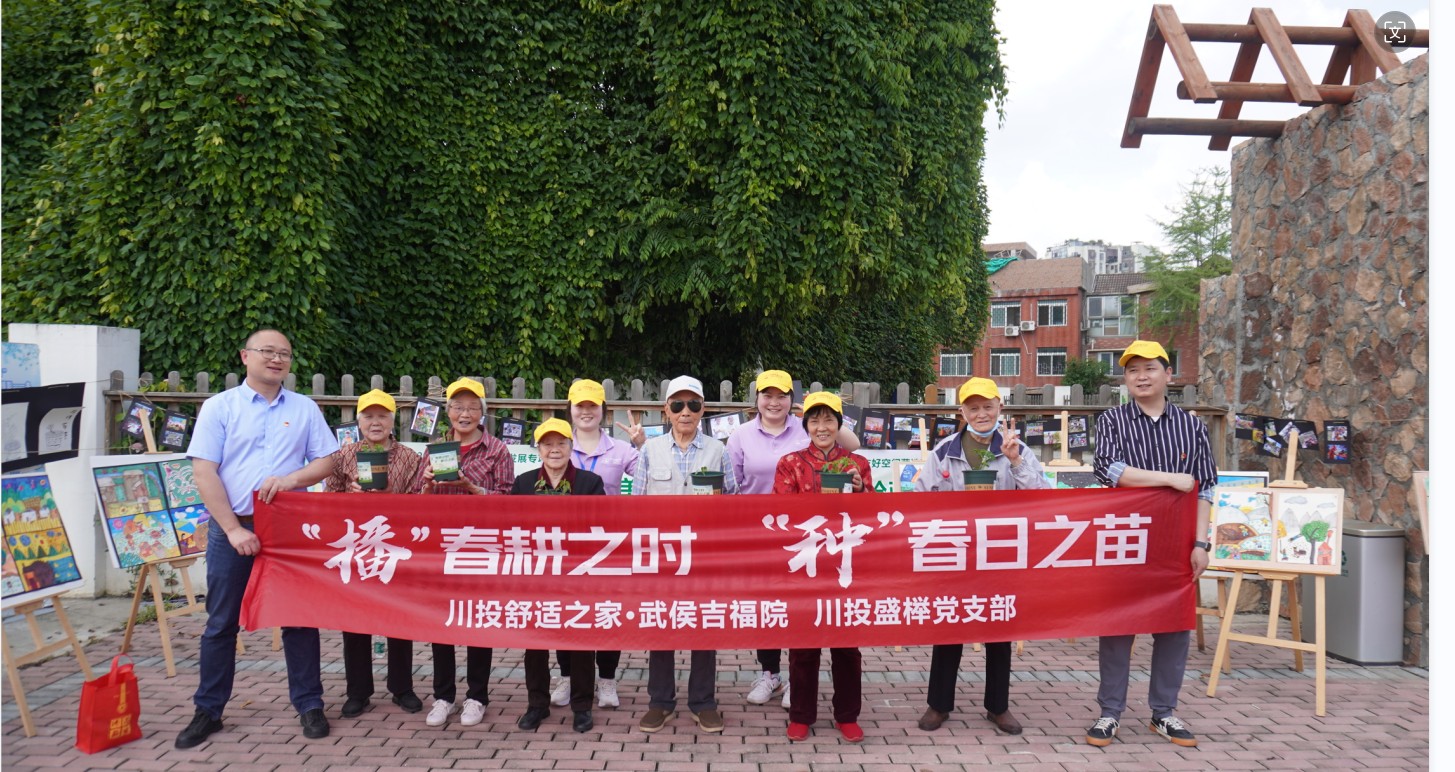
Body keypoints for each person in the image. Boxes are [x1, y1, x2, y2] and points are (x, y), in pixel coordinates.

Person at [175, 329, 341, 749]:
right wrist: (233, 529)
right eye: (267, 351)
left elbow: (327, 460)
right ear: (245, 356)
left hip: (288, 529)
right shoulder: (220, 407)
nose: (276, 359)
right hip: (233, 526)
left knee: (299, 618)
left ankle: (309, 704)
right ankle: (208, 710)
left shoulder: (304, 408)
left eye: (284, 353)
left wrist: (291, 479)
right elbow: (204, 471)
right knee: (221, 622)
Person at [1085, 340, 1215, 748]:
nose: (1141, 377)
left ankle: (1164, 712)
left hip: (1176, 541)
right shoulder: (1113, 420)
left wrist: (1201, 542)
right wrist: (1169, 478)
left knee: (1174, 628)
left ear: (1168, 374)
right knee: (1117, 626)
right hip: (1124, 538)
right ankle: (1109, 713)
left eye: (1149, 368)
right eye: (1132, 370)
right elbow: (1109, 470)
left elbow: (1206, 487)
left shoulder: (1192, 426)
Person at [914, 377, 1046, 736]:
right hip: (955, 551)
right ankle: (938, 704)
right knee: (949, 626)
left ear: (1000, 407)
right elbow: (920, 497)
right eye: (973, 407)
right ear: (962, 411)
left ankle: (998, 706)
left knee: (999, 628)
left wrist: (1015, 462)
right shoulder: (944, 451)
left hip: (1001, 552)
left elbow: (1042, 495)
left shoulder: (1016, 447)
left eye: (988, 406)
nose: (981, 413)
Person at [726, 370, 858, 709]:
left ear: (791, 400)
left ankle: (796, 679)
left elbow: (852, 445)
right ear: (756, 399)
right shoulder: (740, 435)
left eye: (781, 396)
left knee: (800, 604)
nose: (774, 402)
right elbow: (732, 484)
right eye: (767, 396)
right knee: (768, 603)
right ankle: (769, 673)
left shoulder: (804, 427)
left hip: (807, 534)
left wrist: (816, 411)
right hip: (759, 531)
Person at [635, 375, 737, 734]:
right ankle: (660, 701)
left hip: (703, 555)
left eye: (693, 404)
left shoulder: (718, 451)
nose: (685, 412)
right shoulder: (650, 450)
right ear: (666, 409)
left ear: (703, 409)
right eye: (677, 404)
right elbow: (637, 506)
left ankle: (703, 702)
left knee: (704, 627)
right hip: (661, 555)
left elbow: (733, 502)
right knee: (660, 626)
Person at [772, 392, 872, 743]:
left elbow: (872, 517)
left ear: (839, 425)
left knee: (847, 647)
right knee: (803, 645)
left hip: (845, 566)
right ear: (806, 426)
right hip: (806, 565)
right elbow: (782, 513)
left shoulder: (856, 464)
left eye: (829, 419)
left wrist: (860, 492)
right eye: (814, 420)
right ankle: (801, 715)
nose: (822, 427)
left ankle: (847, 714)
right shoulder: (790, 463)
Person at [415, 377, 515, 728]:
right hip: (441, 547)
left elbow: (508, 500)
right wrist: (428, 485)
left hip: (479, 546)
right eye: (458, 407)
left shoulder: (497, 450)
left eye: (472, 407)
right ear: (448, 412)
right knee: (441, 622)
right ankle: (443, 696)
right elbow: (416, 504)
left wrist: (472, 487)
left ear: (482, 413)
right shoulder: (435, 449)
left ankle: (477, 696)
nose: (465, 413)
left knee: (477, 620)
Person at [323, 389, 425, 718]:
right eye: (368, 416)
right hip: (356, 548)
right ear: (359, 421)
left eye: (382, 416)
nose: (375, 422)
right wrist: (350, 497)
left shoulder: (410, 457)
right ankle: (358, 691)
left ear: (393, 420)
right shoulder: (344, 455)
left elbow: (420, 503)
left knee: (400, 619)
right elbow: (328, 501)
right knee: (354, 620)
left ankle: (402, 687)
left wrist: (391, 496)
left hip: (395, 547)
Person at [547, 379, 639, 711]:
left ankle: (608, 679)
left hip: (608, 546)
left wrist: (642, 444)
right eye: (580, 406)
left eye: (592, 406)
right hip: (565, 546)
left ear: (603, 411)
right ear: (569, 410)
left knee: (607, 611)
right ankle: (567, 676)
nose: (586, 412)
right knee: (566, 612)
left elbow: (648, 479)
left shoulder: (621, 450)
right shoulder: (558, 445)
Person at [512, 418, 606, 733]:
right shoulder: (524, 484)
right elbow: (512, 528)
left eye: (561, 443)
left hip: (578, 575)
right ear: (538, 449)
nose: (554, 450)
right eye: (547, 444)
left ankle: (582, 706)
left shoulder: (590, 483)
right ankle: (536, 705)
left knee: (580, 641)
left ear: (571, 446)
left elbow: (601, 528)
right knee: (534, 644)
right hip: (536, 576)